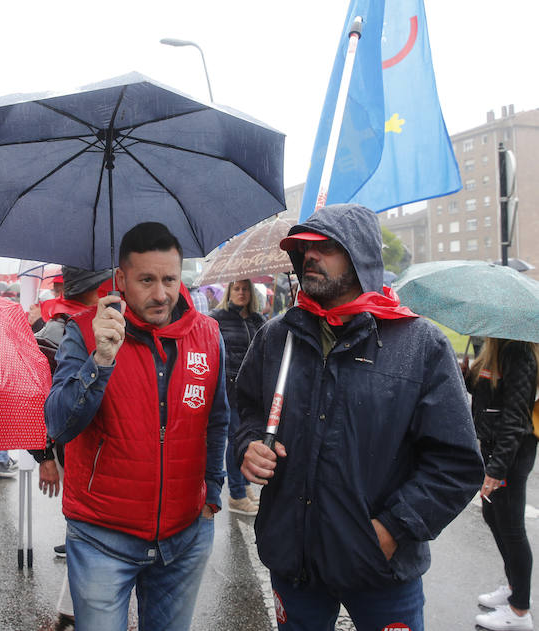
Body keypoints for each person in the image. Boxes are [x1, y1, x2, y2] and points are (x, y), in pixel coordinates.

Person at [236, 204, 484, 631]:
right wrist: (249, 444)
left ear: (362, 256)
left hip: (381, 567)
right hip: (293, 558)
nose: (309, 256)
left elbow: (456, 463)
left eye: (326, 247)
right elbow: (247, 410)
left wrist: (391, 529)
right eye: (303, 248)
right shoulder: (277, 337)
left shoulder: (419, 345)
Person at [46, 221, 229, 631]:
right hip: (100, 539)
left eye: (169, 279)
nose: (161, 293)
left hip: (184, 538)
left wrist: (212, 495)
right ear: (121, 279)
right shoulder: (84, 334)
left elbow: (217, 420)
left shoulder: (208, 335)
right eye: (146, 280)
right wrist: (101, 362)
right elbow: (58, 424)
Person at [31, 265, 108, 631]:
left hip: (95, 452)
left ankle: (72, 609)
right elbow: (40, 405)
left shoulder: (100, 326)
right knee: (83, 531)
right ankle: (72, 610)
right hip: (72, 451)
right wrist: (46, 456)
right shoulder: (57, 332)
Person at [468, 338, 539, 631]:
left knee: (510, 526)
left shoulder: (519, 351)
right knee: (492, 516)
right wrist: (468, 371)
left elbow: (515, 419)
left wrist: (497, 469)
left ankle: (519, 611)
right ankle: (514, 588)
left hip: (510, 452)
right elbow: (485, 392)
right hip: (494, 447)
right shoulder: (492, 349)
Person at [209, 278, 265, 515]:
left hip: (252, 391)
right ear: (229, 292)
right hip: (228, 389)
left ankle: (244, 486)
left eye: (245, 289)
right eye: (237, 289)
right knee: (234, 440)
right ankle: (237, 494)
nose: (241, 293)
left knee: (248, 438)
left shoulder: (257, 320)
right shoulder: (217, 318)